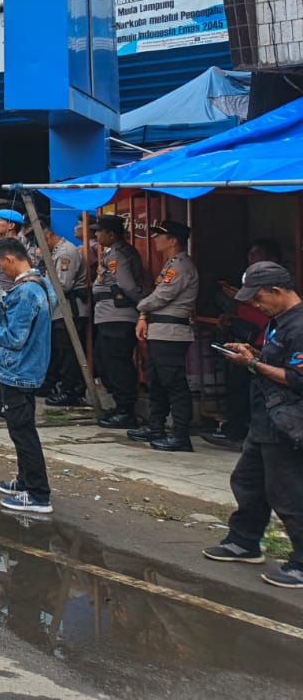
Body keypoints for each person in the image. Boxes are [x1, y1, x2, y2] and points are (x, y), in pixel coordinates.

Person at [201, 261, 303, 588]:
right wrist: (251, 353)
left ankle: (301, 563)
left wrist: (254, 363)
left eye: (258, 298)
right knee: (248, 481)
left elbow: (297, 378)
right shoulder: (278, 321)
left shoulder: (299, 326)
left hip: (286, 421)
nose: (255, 306)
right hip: (265, 419)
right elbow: (274, 362)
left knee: (287, 493)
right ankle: (244, 541)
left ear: (277, 290)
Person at [0, 238, 56, 515]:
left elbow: (14, 338)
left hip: (18, 369)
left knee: (23, 432)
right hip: (29, 367)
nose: (1, 271)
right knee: (21, 428)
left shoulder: (24, 291)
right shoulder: (41, 284)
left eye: (1, 265)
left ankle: (38, 494)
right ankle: (25, 480)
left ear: (10, 259)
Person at [127, 219, 199, 453]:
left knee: (174, 384)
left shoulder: (181, 266)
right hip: (160, 331)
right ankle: (155, 426)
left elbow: (161, 297)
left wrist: (141, 307)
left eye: (160, 236)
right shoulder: (171, 264)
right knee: (156, 382)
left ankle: (181, 435)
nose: (155, 240)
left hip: (171, 333)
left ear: (173, 241)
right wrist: (144, 314)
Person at [208, 238, 286, 448]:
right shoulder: (250, 281)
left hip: (265, 341)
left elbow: (270, 314)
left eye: (257, 254)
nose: (251, 258)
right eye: (250, 254)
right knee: (239, 388)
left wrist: (241, 298)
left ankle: (244, 432)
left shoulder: (276, 286)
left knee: (256, 389)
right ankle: (237, 430)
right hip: (247, 338)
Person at [91, 215, 146, 428]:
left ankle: (126, 410)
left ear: (111, 234)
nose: (96, 234)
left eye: (99, 231)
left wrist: (143, 306)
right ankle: (120, 405)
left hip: (118, 315)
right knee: (104, 361)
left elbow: (127, 285)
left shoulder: (119, 254)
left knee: (117, 363)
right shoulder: (111, 252)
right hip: (108, 315)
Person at [42, 224, 88, 407]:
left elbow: (63, 284)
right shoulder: (56, 251)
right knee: (61, 351)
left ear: (47, 236)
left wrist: (40, 289)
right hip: (61, 309)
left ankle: (70, 391)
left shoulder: (65, 252)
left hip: (70, 309)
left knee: (69, 352)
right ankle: (63, 386)